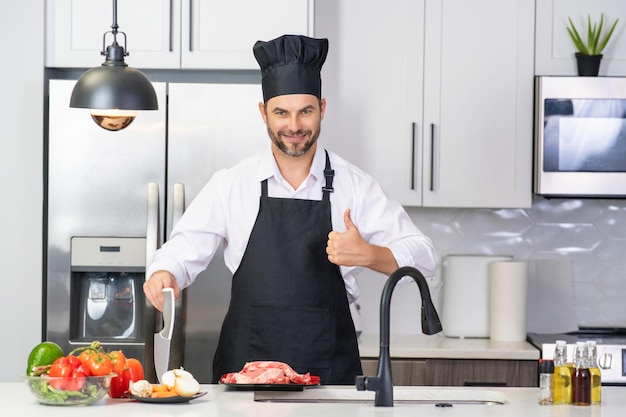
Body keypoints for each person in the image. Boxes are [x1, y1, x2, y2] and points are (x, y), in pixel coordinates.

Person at [143, 34, 438, 385]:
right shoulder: (233, 184)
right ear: (263, 112)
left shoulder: (355, 186)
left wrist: (369, 254)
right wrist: (165, 271)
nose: (294, 126)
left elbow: (425, 257)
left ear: (322, 109)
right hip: (246, 378)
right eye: (281, 112)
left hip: (329, 378)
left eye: (306, 111)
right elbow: (183, 248)